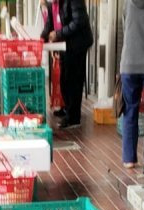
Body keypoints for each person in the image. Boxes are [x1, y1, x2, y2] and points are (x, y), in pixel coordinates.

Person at [42, 0, 93, 129]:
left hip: (78, 43)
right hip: (65, 44)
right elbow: (49, 25)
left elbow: (79, 21)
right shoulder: (52, 5)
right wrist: (41, 39)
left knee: (73, 79)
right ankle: (67, 109)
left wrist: (58, 34)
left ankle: (74, 117)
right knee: (64, 79)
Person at [119, 0, 144, 169]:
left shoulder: (128, 3)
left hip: (129, 63)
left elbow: (125, 26)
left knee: (130, 111)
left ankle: (129, 159)